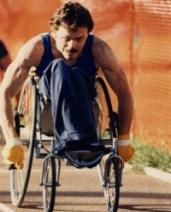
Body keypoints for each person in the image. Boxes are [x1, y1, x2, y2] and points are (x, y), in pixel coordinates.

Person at [0, 1, 134, 169]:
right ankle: (74, 139)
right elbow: (5, 91)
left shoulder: (99, 49)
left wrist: (123, 138)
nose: (73, 46)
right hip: (49, 109)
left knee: (76, 72)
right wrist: (11, 139)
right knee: (60, 66)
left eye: (80, 39)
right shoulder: (36, 49)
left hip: (86, 108)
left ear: (88, 35)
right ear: (55, 34)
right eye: (67, 39)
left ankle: (80, 139)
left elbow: (124, 91)